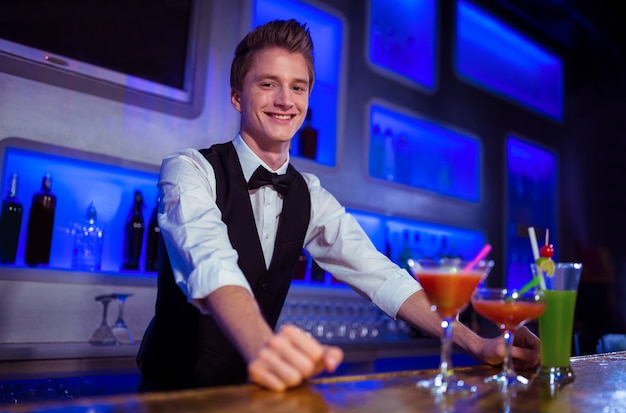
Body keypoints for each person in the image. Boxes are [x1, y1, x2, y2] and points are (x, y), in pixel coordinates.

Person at [136, 19, 540, 393]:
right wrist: (263, 344)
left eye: (298, 87)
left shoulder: (310, 194)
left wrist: (478, 344)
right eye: (267, 84)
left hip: (252, 396)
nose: (284, 100)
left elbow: (380, 275)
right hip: (171, 394)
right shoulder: (189, 170)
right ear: (237, 96)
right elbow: (209, 259)